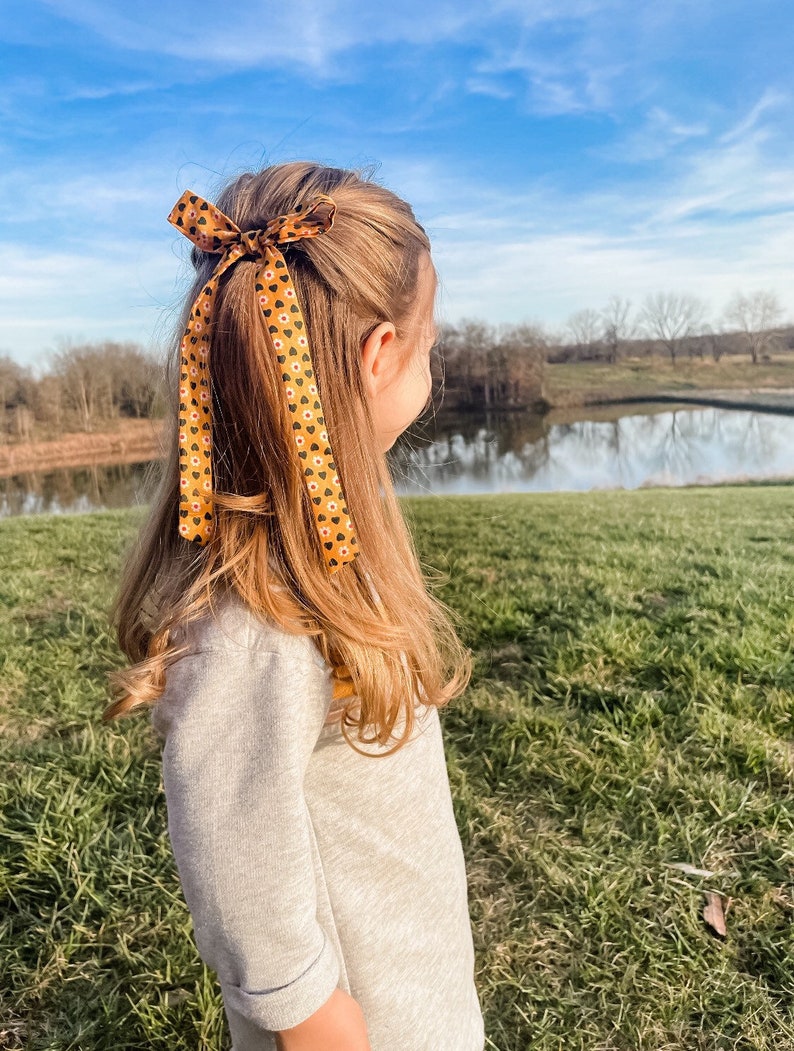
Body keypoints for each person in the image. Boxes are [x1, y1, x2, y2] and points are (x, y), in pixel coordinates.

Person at [106, 161, 485, 1051]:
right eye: (431, 341)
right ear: (379, 353)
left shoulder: (320, 551)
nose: (431, 357)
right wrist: (316, 1022)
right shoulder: (254, 611)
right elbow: (232, 846)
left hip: (413, 999)